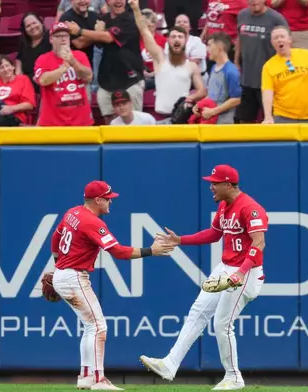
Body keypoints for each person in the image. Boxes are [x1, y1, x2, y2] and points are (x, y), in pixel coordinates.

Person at [139, 164, 268, 391]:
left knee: (222, 324)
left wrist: (240, 272)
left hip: (246, 272)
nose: (211, 187)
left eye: (215, 182)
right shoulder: (224, 206)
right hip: (226, 267)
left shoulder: (250, 208)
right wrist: (181, 240)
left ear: (228, 184)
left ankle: (234, 376)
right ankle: (170, 364)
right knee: (197, 312)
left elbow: (259, 243)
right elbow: (214, 234)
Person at [50, 180, 174, 391]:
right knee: (99, 327)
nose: (110, 202)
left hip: (63, 274)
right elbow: (118, 252)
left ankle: (86, 377)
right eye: (108, 198)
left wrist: (57, 264)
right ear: (97, 200)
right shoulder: (92, 222)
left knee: (91, 327)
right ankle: (99, 380)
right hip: (73, 277)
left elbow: (56, 236)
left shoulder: (73, 212)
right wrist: (150, 251)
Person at [130, 0, 207, 122]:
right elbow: (144, 31)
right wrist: (135, 9)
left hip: (181, 119)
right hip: (160, 119)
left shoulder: (192, 66)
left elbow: (202, 90)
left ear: (185, 41)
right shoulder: (160, 59)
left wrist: (189, 98)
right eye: (173, 36)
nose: (177, 39)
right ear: (168, 41)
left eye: (180, 37)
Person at [234, 0, 288, 123]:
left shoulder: (276, 19)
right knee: (244, 120)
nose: (254, 1)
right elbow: (239, 39)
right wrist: (236, 61)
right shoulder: (242, 15)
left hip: (268, 81)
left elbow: (286, 45)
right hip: (247, 79)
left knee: (271, 121)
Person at [34, 22, 93, 126]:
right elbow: (43, 80)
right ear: (51, 39)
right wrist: (63, 68)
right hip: (53, 122)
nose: (63, 39)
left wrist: (73, 62)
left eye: (65, 36)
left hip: (80, 121)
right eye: (59, 36)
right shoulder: (42, 59)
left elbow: (88, 77)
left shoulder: (80, 56)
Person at [261, 25, 308, 124]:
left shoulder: (306, 55)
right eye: (276, 38)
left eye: (282, 36)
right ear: (272, 43)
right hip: (283, 117)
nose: (279, 40)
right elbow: (267, 92)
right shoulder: (268, 66)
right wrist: (267, 116)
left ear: (289, 39)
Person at [201, 33, 242, 124]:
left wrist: (213, 111)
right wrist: (200, 104)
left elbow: (237, 99)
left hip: (223, 124)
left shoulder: (231, 71)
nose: (207, 49)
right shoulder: (213, 67)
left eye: (209, 45)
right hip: (210, 120)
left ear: (220, 47)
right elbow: (212, 94)